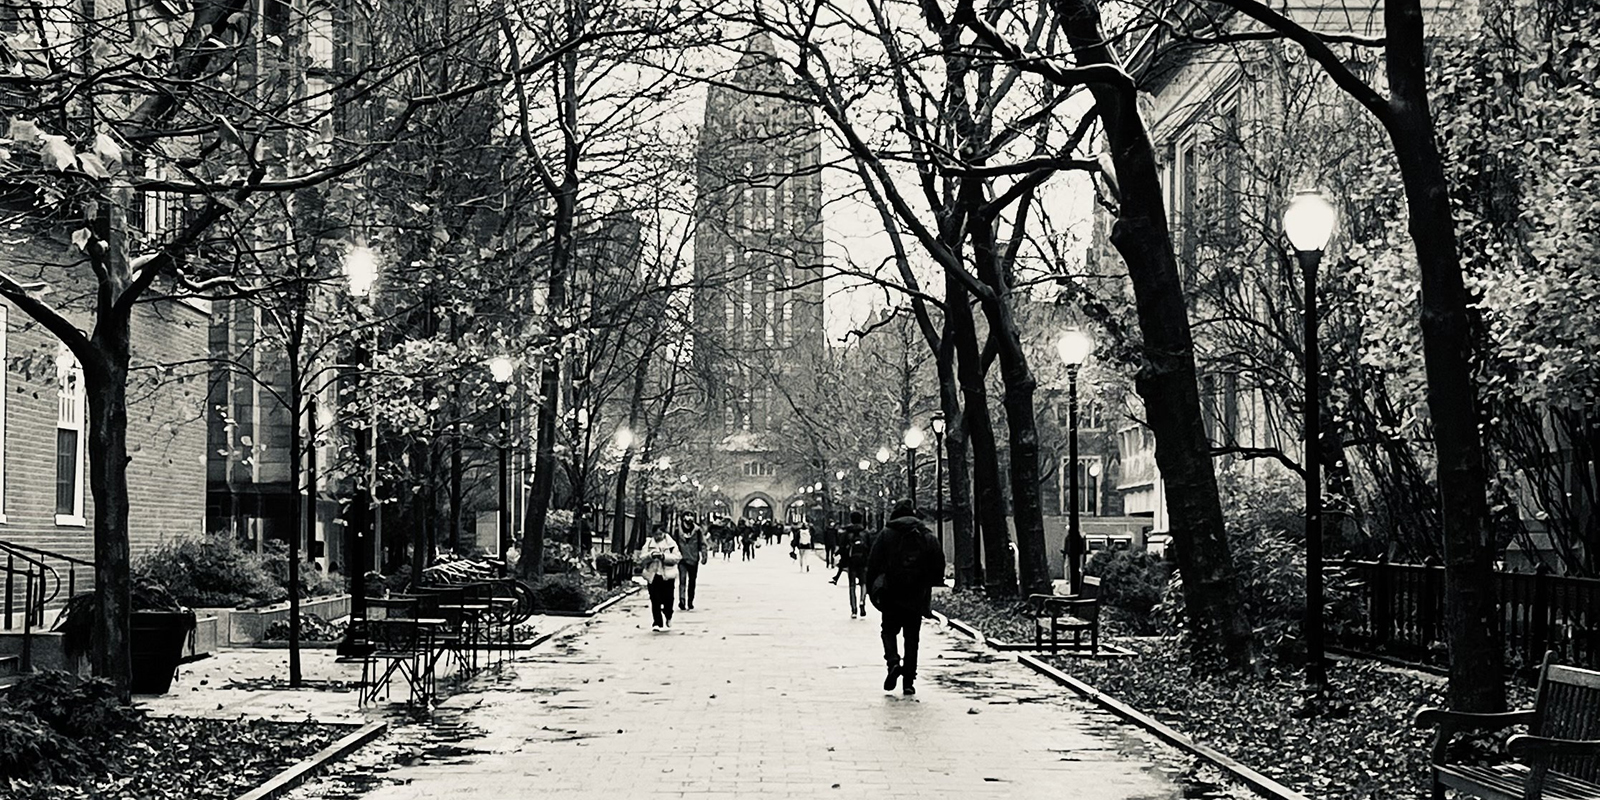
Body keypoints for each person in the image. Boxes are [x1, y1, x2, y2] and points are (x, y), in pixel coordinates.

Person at [866, 500, 945, 696]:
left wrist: (873, 591)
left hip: (891, 592)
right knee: (912, 638)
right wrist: (928, 582)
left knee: (888, 630)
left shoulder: (886, 534)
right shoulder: (925, 534)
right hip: (916, 594)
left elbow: (873, 564)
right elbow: (938, 562)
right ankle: (909, 681)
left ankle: (893, 661)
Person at [638, 525, 681, 631]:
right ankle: (657, 622)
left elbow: (677, 557)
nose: (658, 536)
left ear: (664, 534)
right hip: (653, 575)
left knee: (668, 598)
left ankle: (668, 615)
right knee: (655, 598)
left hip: (667, 575)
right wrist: (651, 556)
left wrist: (664, 557)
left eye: (660, 534)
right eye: (656, 534)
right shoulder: (648, 544)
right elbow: (642, 558)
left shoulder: (671, 544)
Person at [830, 512, 872, 618]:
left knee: (852, 585)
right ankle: (862, 601)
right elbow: (870, 548)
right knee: (863, 583)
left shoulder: (846, 533)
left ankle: (854, 609)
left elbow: (842, 548)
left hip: (851, 561)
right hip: (863, 561)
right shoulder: (865, 533)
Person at [676, 513, 709, 611]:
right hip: (681, 559)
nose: (689, 517)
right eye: (687, 515)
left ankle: (690, 601)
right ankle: (682, 600)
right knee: (682, 580)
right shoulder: (678, 530)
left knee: (692, 581)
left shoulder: (697, 531)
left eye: (691, 515)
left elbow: (703, 544)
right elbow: (673, 544)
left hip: (693, 559)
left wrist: (704, 555)